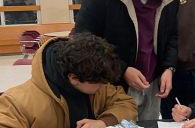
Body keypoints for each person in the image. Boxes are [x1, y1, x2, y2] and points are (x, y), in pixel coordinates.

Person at [74, 0, 180, 120]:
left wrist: (168, 68)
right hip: (112, 86)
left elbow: (172, 37)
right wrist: (122, 69)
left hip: (152, 85)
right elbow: (82, 42)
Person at [0, 33, 137, 128]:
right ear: (73, 78)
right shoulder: (16, 103)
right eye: (100, 84)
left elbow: (126, 104)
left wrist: (103, 122)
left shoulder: (95, 78)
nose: (104, 86)